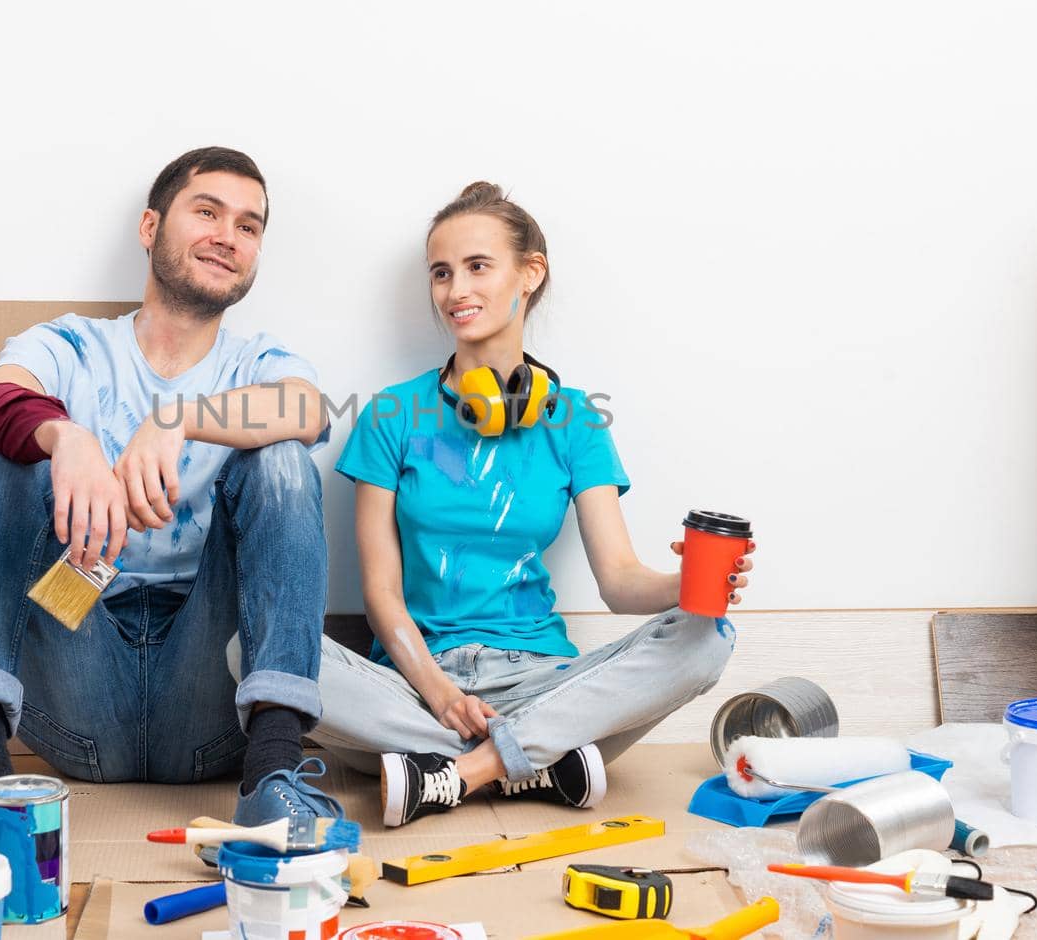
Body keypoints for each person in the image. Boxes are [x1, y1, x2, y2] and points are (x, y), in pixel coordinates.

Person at [310, 182, 755, 827]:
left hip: (544, 681)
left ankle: (460, 773)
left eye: (477, 266)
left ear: (530, 272)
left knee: (707, 638)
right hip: (415, 686)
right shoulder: (390, 414)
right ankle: (541, 762)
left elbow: (621, 582)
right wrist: (439, 694)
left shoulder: (576, 421)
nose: (455, 290)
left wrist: (689, 583)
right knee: (256, 649)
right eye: (441, 273)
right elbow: (382, 594)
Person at [0, 147, 341, 844]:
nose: (227, 236)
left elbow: (309, 411)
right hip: (74, 673)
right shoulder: (72, 345)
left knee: (281, 461)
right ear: (151, 227)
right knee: (2, 467)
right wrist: (65, 437)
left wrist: (176, 417)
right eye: (206, 212)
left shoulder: (257, 362)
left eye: (248, 226)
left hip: (212, 696)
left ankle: (275, 779)